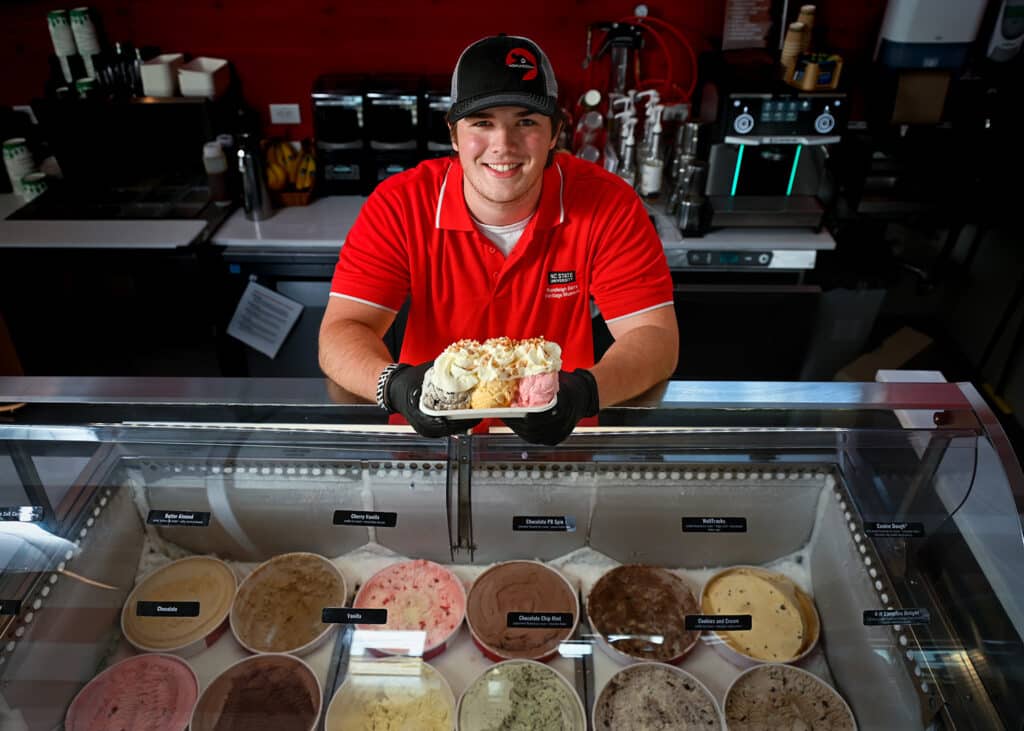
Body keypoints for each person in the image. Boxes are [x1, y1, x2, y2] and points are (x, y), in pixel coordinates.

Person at [319, 34, 678, 445]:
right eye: (482, 122)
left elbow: (655, 339)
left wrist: (585, 394)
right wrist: (396, 386)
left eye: (525, 122)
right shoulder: (401, 203)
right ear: (454, 134)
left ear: (555, 133)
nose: (503, 146)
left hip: (560, 445)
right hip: (428, 448)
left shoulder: (609, 204)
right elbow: (343, 330)